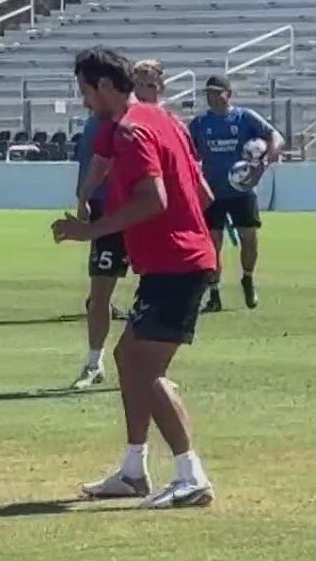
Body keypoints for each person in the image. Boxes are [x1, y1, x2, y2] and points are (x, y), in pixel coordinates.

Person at [55, 47, 219, 509]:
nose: (84, 100)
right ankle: (133, 470)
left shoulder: (131, 132)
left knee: (143, 367)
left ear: (104, 86)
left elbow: (153, 200)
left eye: (85, 90)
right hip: (178, 259)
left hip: (177, 264)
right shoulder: (162, 120)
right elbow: (202, 195)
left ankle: (192, 476)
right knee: (130, 359)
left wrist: (89, 229)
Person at [70, 60, 167, 389]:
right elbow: (97, 162)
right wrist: (83, 199)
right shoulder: (107, 124)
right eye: (140, 80)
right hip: (108, 213)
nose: (144, 86)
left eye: (150, 82)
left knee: (156, 290)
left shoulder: (159, 124)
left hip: (146, 216)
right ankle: (94, 362)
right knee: (99, 292)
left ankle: (153, 366)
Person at [187, 75, 283, 311]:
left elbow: (276, 137)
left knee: (249, 239)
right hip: (212, 192)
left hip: (242, 190)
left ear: (228, 94)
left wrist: (264, 161)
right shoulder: (200, 123)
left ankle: (247, 278)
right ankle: (214, 293)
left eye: (217, 92)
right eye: (208, 93)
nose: (212, 97)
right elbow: (188, 152)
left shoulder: (244, 118)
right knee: (212, 245)